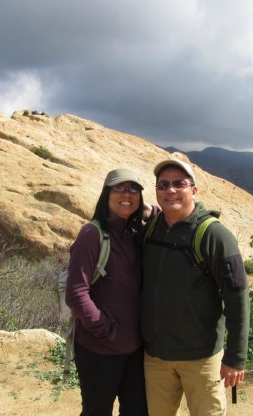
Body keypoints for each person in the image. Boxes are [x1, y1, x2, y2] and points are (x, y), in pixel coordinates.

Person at [141, 159, 250, 415]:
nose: (170, 190)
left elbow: (238, 297)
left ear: (193, 190)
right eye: (163, 185)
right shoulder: (151, 230)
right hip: (155, 357)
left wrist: (235, 357)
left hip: (201, 358)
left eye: (179, 184)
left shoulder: (215, 235)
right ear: (156, 191)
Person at [65, 168, 149, 416]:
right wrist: (106, 330)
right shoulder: (93, 234)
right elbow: (76, 293)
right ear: (106, 194)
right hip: (99, 349)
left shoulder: (133, 233)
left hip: (134, 350)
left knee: (137, 411)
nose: (127, 194)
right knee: (97, 411)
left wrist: (151, 210)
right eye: (119, 188)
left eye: (134, 189)